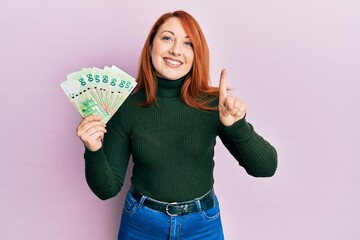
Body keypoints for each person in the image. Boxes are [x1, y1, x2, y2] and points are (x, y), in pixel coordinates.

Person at [76, 10, 277, 240]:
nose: (175, 50)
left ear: (196, 55)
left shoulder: (215, 105)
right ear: (151, 45)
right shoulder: (126, 107)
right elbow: (106, 189)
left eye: (188, 43)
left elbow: (266, 168)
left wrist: (237, 126)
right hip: (141, 224)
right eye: (167, 38)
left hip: (202, 225)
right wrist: (93, 149)